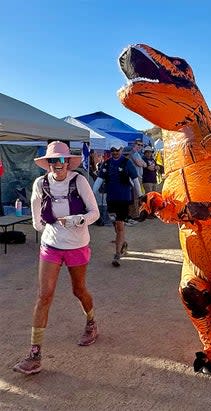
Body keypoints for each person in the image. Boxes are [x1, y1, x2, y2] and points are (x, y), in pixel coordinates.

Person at [13, 141, 100, 375]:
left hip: (77, 245)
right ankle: (34, 354)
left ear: (69, 162)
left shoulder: (79, 181)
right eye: (52, 161)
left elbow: (95, 212)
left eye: (61, 160)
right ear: (47, 164)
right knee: (44, 295)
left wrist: (77, 220)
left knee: (79, 290)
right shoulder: (40, 183)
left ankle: (91, 322)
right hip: (51, 245)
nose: (56, 165)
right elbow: (35, 202)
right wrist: (37, 223)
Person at [93, 142, 143, 267]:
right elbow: (99, 180)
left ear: (121, 150)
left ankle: (117, 255)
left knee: (120, 225)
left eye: (117, 150)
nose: (115, 152)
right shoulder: (107, 163)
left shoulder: (127, 163)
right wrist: (92, 194)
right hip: (111, 200)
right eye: (113, 150)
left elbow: (136, 181)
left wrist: (141, 196)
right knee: (116, 226)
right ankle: (123, 243)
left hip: (123, 200)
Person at [128, 139, 146, 219]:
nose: (140, 146)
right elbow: (140, 163)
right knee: (135, 196)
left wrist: (142, 163)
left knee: (137, 196)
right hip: (135, 177)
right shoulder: (134, 153)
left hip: (138, 177)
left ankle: (135, 214)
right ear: (134, 144)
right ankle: (135, 215)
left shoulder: (137, 154)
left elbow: (144, 164)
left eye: (141, 145)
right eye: (138, 144)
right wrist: (142, 163)